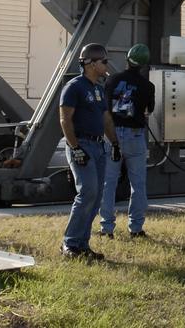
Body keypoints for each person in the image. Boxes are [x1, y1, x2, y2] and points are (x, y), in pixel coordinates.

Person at [59, 43, 115, 260]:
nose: (107, 65)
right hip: (82, 145)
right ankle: (69, 243)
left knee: (96, 195)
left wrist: (115, 143)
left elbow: (106, 120)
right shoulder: (74, 87)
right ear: (91, 63)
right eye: (104, 61)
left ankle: (82, 245)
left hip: (99, 146)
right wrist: (75, 148)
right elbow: (65, 120)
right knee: (87, 192)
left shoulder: (98, 89)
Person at [99, 44, 156, 239]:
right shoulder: (148, 86)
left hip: (112, 134)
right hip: (135, 136)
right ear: (144, 64)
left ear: (127, 59)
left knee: (108, 183)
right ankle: (136, 228)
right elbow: (149, 110)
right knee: (138, 184)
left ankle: (106, 229)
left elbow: (104, 108)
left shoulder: (112, 80)